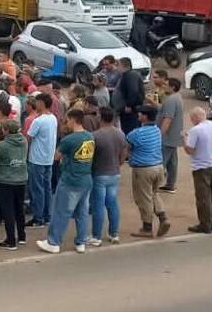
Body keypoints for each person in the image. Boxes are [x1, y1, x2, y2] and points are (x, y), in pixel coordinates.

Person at [37, 109, 95, 254]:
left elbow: (56, 157)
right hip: (86, 178)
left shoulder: (69, 140)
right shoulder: (90, 136)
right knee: (82, 212)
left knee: (61, 211)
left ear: (73, 120)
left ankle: (54, 241)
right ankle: (81, 242)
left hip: (70, 179)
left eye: (67, 120)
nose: (66, 123)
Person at [184, 106, 212, 234]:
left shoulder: (195, 130)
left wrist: (184, 139)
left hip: (201, 166)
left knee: (203, 197)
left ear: (194, 118)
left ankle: (205, 224)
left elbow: (190, 150)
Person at [127, 105, 170, 238]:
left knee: (143, 198)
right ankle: (163, 217)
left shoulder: (136, 133)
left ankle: (147, 227)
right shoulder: (156, 130)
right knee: (154, 194)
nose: (138, 115)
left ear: (145, 117)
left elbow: (127, 147)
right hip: (158, 166)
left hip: (143, 168)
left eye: (140, 114)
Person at [89, 107, 128, 246]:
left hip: (99, 173)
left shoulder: (95, 135)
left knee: (98, 206)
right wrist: (119, 163)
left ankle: (96, 236)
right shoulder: (120, 134)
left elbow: (90, 156)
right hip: (114, 172)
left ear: (101, 117)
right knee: (112, 203)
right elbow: (124, 152)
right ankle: (114, 233)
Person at [0, 119, 28, 250]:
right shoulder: (23, 141)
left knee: (8, 211)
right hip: (21, 178)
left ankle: (11, 240)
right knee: (19, 208)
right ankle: (22, 236)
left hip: (6, 180)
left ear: (6, 130)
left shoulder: (3, 145)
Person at [26, 92, 58, 227]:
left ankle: (38, 217)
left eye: (38, 102)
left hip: (37, 158)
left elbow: (29, 136)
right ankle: (47, 215)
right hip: (48, 158)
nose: (36, 104)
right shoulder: (53, 118)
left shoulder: (38, 121)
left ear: (42, 104)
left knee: (37, 189)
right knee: (47, 188)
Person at [157, 78, 184, 192]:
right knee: (172, 162)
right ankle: (170, 184)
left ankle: (155, 184)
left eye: (166, 85)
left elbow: (168, 119)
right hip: (174, 136)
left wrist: (159, 135)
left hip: (167, 137)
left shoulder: (171, 100)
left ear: (173, 87)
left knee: (160, 161)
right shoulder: (177, 97)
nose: (164, 86)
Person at [112, 57, 145, 134]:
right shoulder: (126, 75)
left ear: (123, 65)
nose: (117, 68)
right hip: (125, 110)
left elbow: (133, 90)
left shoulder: (130, 75)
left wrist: (129, 105)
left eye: (118, 65)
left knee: (130, 131)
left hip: (131, 112)